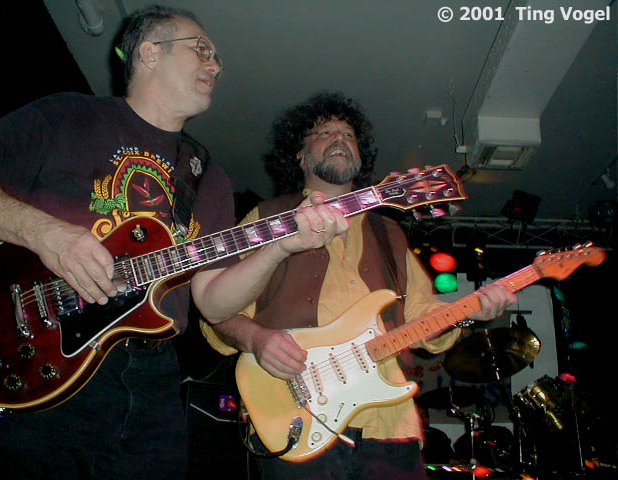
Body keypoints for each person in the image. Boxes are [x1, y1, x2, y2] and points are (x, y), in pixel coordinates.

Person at [198, 91, 517, 479]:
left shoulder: (390, 233)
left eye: (348, 135)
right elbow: (217, 314)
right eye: (324, 133)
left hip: (392, 429)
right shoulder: (266, 218)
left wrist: (469, 311)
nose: (339, 138)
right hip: (297, 417)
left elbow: (422, 317)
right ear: (300, 157)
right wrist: (257, 340)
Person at [0, 6, 233, 479]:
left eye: (216, 57)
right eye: (202, 49)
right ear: (150, 52)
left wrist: (282, 245)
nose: (215, 65)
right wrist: (47, 234)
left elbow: (214, 301)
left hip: (155, 377)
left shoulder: (210, 177)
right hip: (42, 351)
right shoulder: (69, 114)